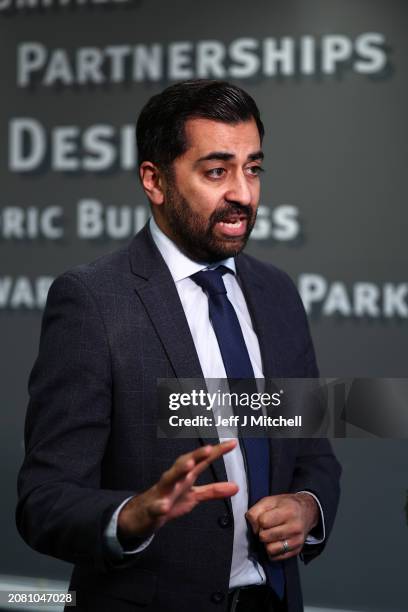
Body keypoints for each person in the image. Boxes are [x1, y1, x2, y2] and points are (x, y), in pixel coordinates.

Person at [16, 80, 341, 612]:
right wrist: (133, 515)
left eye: (253, 168)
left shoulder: (278, 293)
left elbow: (314, 455)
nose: (243, 192)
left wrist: (307, 508)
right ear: (155, 180)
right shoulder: (93, 301)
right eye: (217, 171)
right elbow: (44, 502)